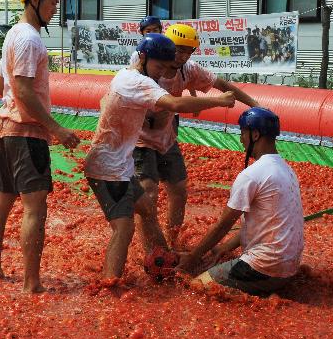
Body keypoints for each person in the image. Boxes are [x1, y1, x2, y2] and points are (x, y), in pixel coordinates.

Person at [85, 33, 236, 279]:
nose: (161, 72)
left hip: (119, 164)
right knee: (124, 227)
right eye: (158, 66)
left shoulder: (132, 76)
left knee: (146, 208)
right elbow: (175, 105)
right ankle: (109, 284)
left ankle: (162, 261)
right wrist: (218, 101)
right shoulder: (136, 81)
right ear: (143, 57)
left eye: (167, 67)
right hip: (107, 167)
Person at [0, 0, 81, 294]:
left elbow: (7, 85)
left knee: (2, 204)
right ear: (34, 1)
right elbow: (24, 90)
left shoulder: (15, 34)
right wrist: (56, 128)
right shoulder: (30, 39)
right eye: (52, 3)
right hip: (27, 133)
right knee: (35, 208)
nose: (55, 9)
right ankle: (31, 282)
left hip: (5, 129)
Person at [134, 23, 260, 248]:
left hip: (165, 136)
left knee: (179, 191)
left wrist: (255, 104)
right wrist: (214, 102)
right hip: (140, 138)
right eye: (178, 50)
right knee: (148, 194)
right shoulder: (145, 70)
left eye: (187, 51)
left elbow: (221, 84)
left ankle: (172, 243)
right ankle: (150, 250)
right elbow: (173, 102)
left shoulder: (188, 69)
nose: (181, 56)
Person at [177, 107, 304, 296]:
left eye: (242, 133)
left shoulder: (251, 175)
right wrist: (226, 247)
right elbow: (267, 225)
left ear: (255, 135)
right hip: (289, 269)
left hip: (264, 268)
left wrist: (193, 257)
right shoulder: (288, 170)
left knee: (196, 287)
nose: (241, 140)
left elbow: (223, 225)